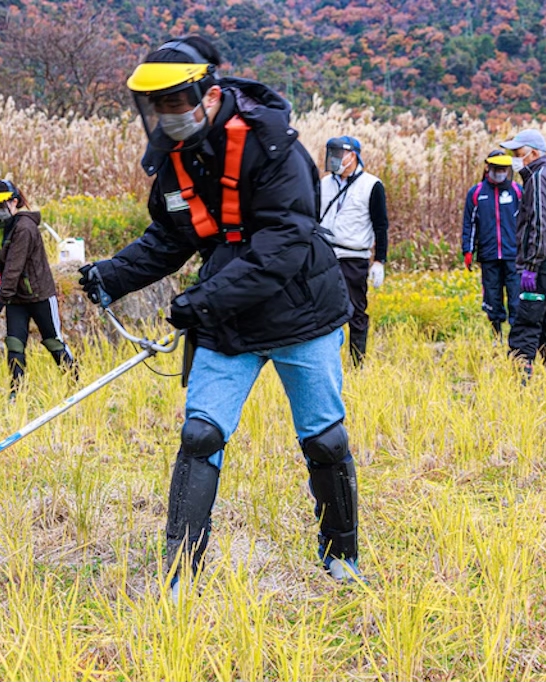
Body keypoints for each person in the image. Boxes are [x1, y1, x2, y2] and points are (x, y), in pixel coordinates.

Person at [77, 36, 359, 596]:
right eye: (157, 108)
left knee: (324, 440)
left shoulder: (273, 146)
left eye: (176, 103)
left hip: (301, 311)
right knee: (200, 434)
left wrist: (200, 302)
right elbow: (171, 236)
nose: (166, 117)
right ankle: (181, 574)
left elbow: (281, 244)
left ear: (207, 94)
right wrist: (114, 274)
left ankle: (341, 556)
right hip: (229, 323)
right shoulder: (175, 158)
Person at [0, 179, 78, 398]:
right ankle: (17, 393)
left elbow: (14, 269)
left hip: (40, 296)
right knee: (14, 344)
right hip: (16, 300)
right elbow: (0, 266)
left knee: (53, 341)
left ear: (14, 202)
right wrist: (0, 286)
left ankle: (75, 383)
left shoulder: (25, 229)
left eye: (1, 204)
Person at [500, 129, 546, 382]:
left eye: (518, 152)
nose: (515, 158)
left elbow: (542, 225)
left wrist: (531, 265)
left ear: (533, 152)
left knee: (525, 326)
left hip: (543, 268)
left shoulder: (540, 177)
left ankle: (519, 387)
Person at [318, 136, 389, 365]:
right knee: (323, 309)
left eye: (340, 153)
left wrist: (380, 260)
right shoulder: (324, 183)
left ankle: (357, 361)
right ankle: (327, 360)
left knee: (356, 309)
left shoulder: (371, 185)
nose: (335, 158)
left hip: (354, 256)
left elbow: (381, 225)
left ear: (353, 155)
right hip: (326, 254)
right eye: (332, 152)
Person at [461, 151, 522, 337]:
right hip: (489, 255)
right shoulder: (477, 193)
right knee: (493, 297)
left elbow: (527, 223)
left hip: (514, 255)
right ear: (488, 168)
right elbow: (469, 224)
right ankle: (497, 334)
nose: (500, 172)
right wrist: (468, 250)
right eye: (497, 169)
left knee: (515, 298)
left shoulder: (517, 191)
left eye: (504, 169)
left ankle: (516, 336)